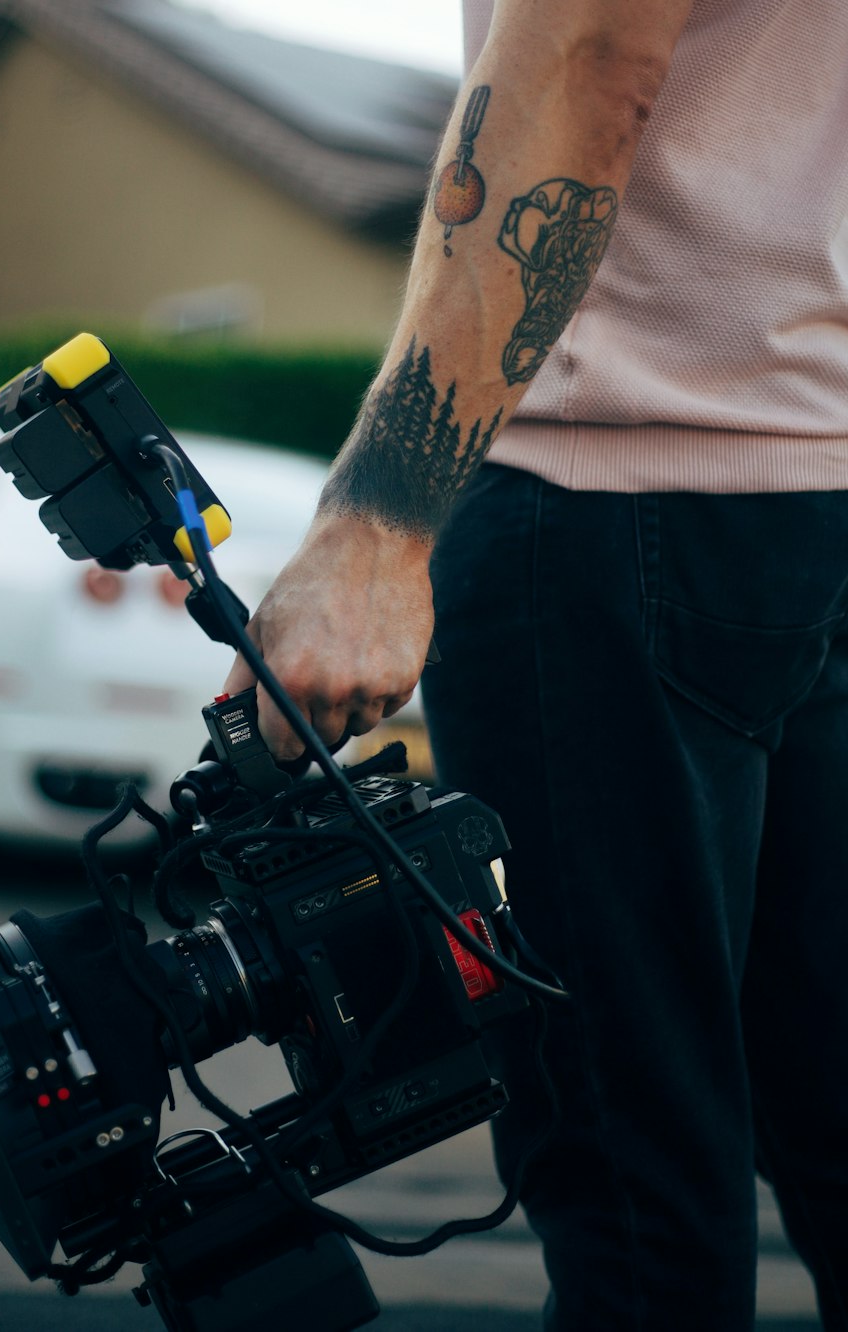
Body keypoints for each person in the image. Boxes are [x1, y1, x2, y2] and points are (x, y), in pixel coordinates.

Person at [223, 1, 848, 1326]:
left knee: (637, 1193)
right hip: (817, 488)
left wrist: (380, 520)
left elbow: (584, 57)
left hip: (616, 488)